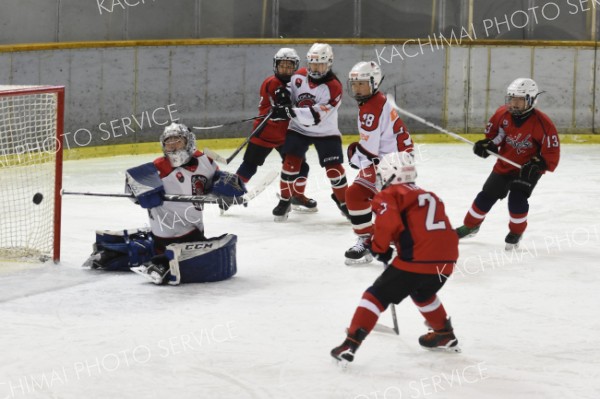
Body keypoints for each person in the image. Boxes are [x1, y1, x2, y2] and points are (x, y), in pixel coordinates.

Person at [331, 152, 460, 367]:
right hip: (447, 259)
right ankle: (444, 333)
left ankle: (350, 344)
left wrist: (379, 247)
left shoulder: (390, 194)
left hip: (418, 258)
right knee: (423, 292)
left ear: (389, 176)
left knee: (375, 295)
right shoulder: (429, 195)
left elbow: (387, 224)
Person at [85, 123, 245, 285]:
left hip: (194, 229)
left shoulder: (206, 162)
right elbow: (133, 185)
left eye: (178, 140)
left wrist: (226, 189)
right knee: (198, 255)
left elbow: (213, 183)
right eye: (169, 142)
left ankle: (131, 255)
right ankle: (151, 262)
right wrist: (141, 191)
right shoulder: (157, 168)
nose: (173, 146)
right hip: (166, 234)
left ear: (188, 142)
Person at [455, 78, 560, 250]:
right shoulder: (502, 114)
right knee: (485, 196)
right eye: (512, 98)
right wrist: (487, 145)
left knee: (517, 199)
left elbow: (551, 154)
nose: (514, 103)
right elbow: (496, 136)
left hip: (526, 171)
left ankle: (516, 232)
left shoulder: (543, 124)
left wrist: (538, 163)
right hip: (504, 166)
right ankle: (471, 226)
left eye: (520, 99)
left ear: (531, 100)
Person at [343, 61, 414, 265]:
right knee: (356, 194)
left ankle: (400, 244)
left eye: (362, 84)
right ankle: (367, 239)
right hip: (394, 157)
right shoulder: (376, 101)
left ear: (374, 83)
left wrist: (352, 154)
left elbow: (368, 152)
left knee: (385, 204)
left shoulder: (371, 108)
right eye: (354, 84)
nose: (357, 89)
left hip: (393, 161)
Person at [270, 43, 348, 222]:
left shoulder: (333, 86)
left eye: (320, 64)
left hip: (325, 131)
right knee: (290, 164)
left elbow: (315, 115)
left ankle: (344, 202)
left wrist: (289, 112)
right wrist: (283, 95)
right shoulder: (299, 76)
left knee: (334, 170)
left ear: (328, 63)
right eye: (312, 64)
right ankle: (284, 200)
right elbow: (291, 90)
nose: (315, 68)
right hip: (298, 129)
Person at [235, 47, 316, 212]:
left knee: (301, 167)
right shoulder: (271, 82)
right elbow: (278, 105)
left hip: (286, 135)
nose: (285, 69)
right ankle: (230, 191)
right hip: (265, 132)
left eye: (289, 66)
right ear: (275, 66)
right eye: (282, 66)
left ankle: (296, 196)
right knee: (249, 165)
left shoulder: (298, 83)